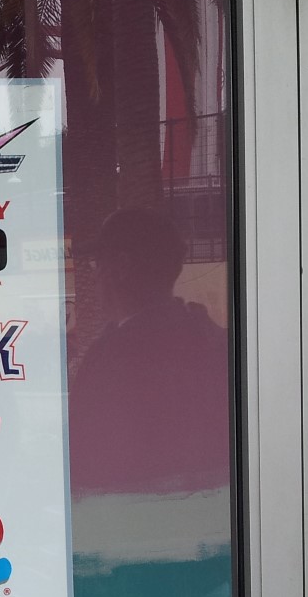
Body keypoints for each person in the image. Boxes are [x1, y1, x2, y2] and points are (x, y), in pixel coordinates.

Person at [68, 208, 229, 495]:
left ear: (121, 266)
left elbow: (86, 465)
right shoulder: (212, 340)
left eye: (96, 264)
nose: (94, 278)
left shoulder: (115, 361)